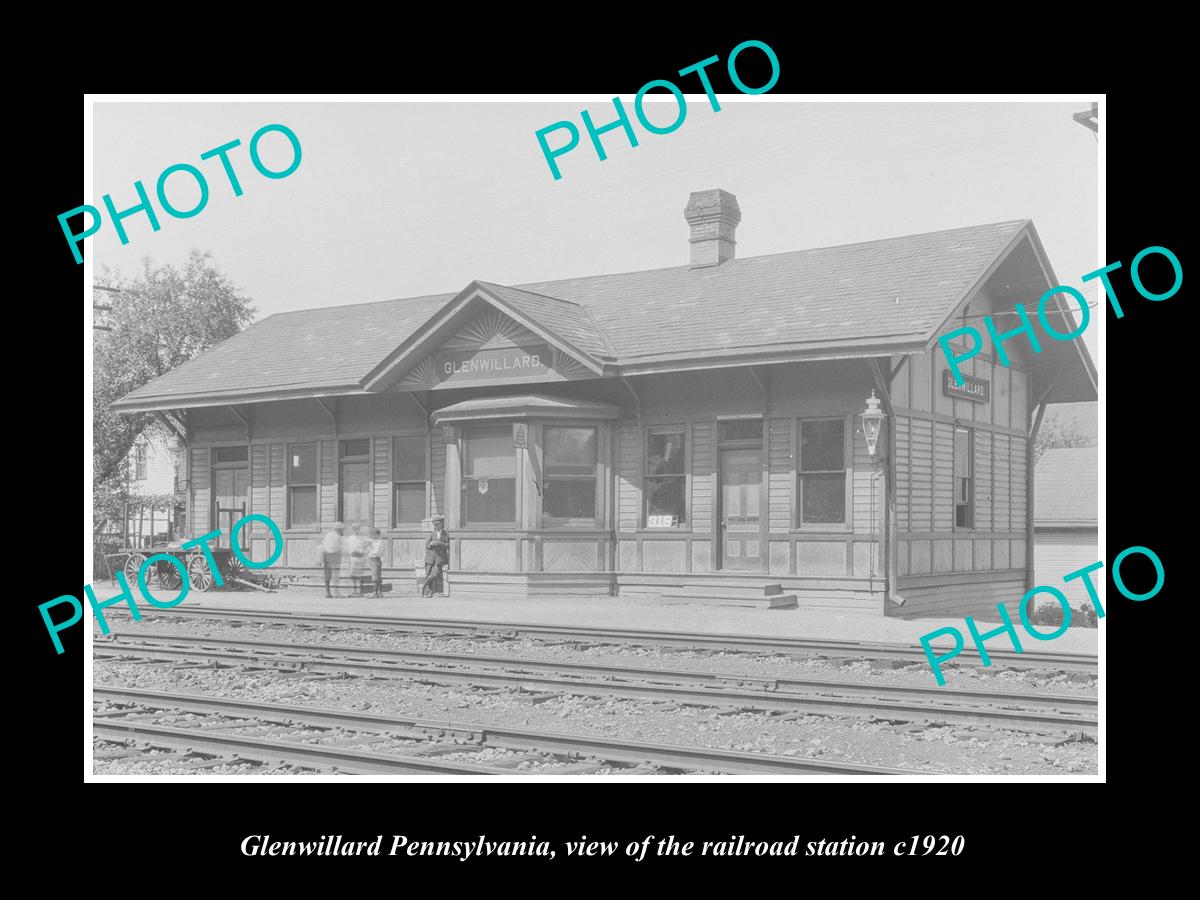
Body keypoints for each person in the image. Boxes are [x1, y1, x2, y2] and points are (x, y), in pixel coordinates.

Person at [420, 515, 450, 598]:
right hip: (431, 558)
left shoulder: (445, 533)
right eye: (434, 525)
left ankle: (423, 585)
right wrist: (431, 544)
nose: (436, 526)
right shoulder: (432, 534)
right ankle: (428, 592)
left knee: (434, 574)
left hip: (439, 558)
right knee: (429, 573)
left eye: (437, 524)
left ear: (441, 524)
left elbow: (448, 545)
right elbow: (427, 545)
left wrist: (440, 544)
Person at [320, 522, 344, 598]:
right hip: (334, 556)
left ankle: (328, 592)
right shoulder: (338, 537)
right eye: (341, 529)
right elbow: (338, 547)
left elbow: (323, 546)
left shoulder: (328, 535)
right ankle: (336, 592)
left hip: (326, 556)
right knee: (335, 574)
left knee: (327, 575)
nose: (342, 531)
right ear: (338, 529)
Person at [366, 527, 385, 598]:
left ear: (378, 535)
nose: (372, 537)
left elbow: (376, 552)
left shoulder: (379, 542)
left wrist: (371, 553)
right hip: (373, 559)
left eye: (374, 535)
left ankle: (375, 592)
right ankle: (379, 592)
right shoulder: (373, 541)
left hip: (375, 558)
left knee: (375, 575)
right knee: (377, 574)